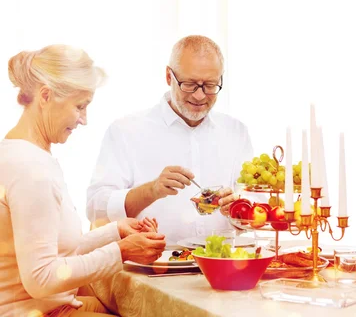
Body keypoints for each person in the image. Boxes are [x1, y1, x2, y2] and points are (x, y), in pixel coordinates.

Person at [0, 45, 166, 317]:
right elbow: (42, 278)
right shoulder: (30, 169)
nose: (84, 120)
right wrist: (120, 252)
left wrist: (115, 232)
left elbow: (52, 249)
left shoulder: (20, 152)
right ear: (46, 96)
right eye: (80, 106)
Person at [86, 35, 253, 245]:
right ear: (168, 76)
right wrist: (151, 190)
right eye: (189, 84)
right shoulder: (125, 131)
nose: (200, 96)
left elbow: (255, 209)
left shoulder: (236, 132)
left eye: (210, 85)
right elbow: (95, 208)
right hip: (151, 271)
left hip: (222, 268)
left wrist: (239, 209)